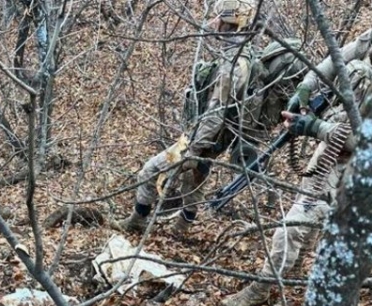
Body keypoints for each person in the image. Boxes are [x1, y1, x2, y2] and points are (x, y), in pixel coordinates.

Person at [219, 0, 372, 306]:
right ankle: (288, 278)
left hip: (367, 165)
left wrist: (315, 127)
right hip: (336, 148)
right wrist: (304, 91)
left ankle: (263, 287)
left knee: (296, 223)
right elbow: (334, 61)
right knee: (311, 215)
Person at [114, 0, 268, 235]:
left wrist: (192, 149)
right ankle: (181, 229)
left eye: (222, 21)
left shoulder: (233, 65)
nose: (215, 24)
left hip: (204, 138)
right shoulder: (238, 56)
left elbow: (216, 114)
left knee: (150, 170)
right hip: (214, 139)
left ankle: (137, 219)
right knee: (193, 183)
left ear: (232, 25)